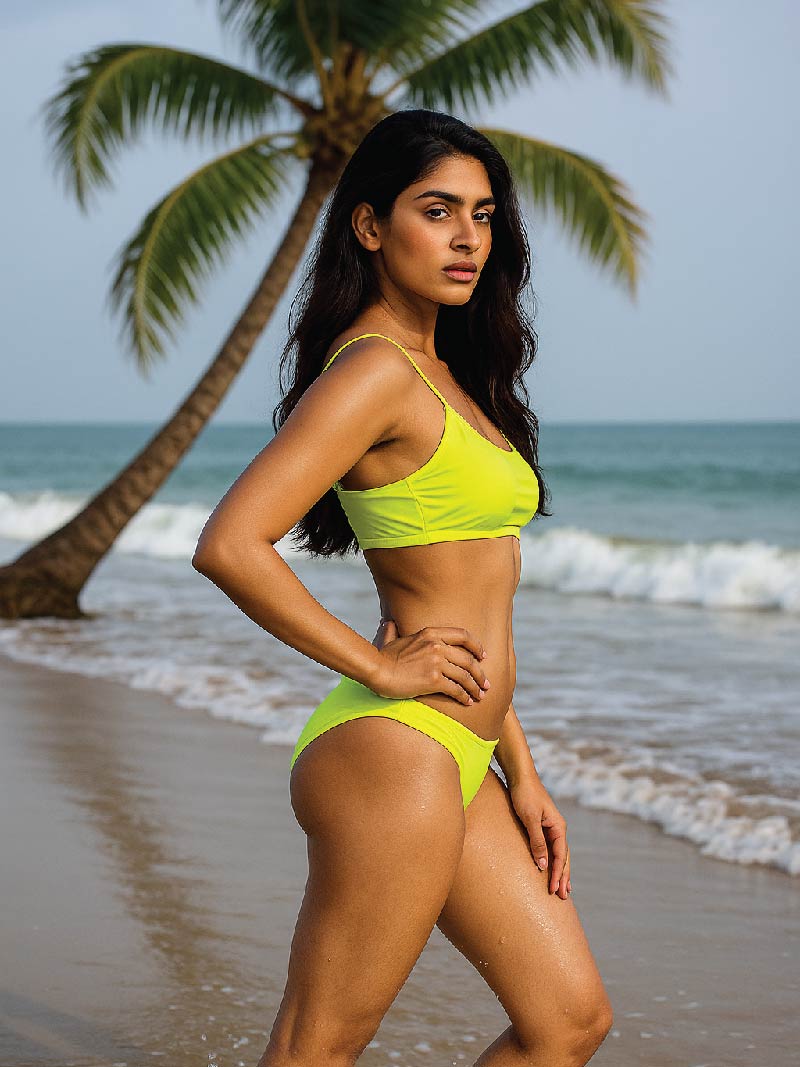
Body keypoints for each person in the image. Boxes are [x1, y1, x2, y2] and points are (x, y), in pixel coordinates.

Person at [193, 109, 612, 1067]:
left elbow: (464, 606)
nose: (468, 237)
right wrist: (379, 673)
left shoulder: (449, 372)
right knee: (319, 1044)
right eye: (437, 210)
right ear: (370, 227)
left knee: (568, 1022)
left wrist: (523, 767)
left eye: (482, 213)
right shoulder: (375, 370)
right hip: (397, 754)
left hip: (464, 751)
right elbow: (230, 544)